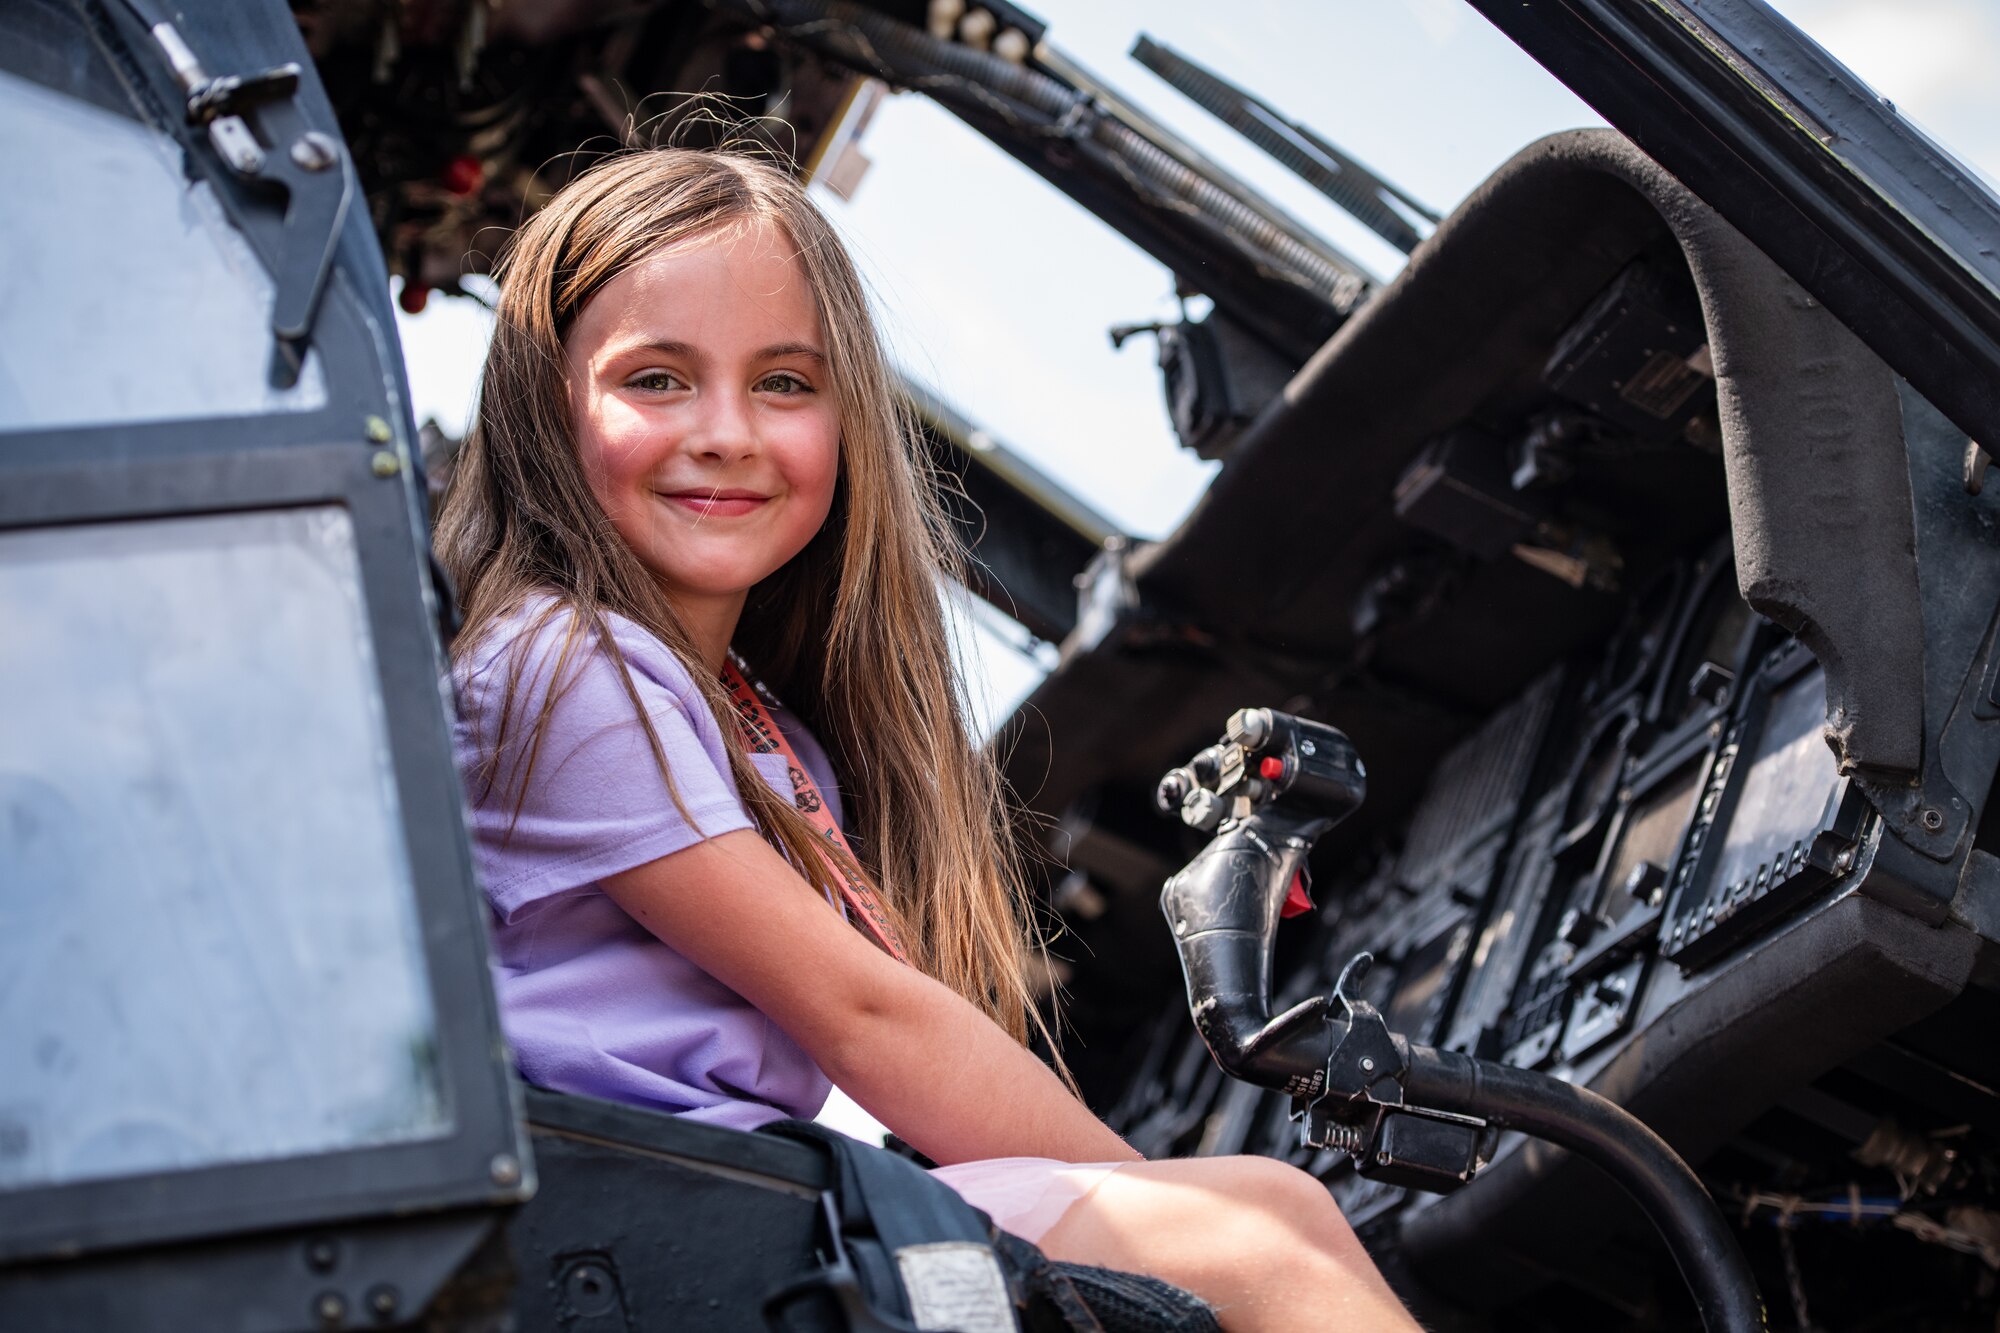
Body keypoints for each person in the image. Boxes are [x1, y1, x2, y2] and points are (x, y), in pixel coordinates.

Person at [436, 146, 1419, 1333]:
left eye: (784, 383)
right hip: (629, 1233)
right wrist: (1175, 1237)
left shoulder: (759, 725)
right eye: (656, 378)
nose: (727, 431)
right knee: (1261, 1240)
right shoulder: (555, 667)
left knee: (1272, 1216)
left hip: (716, 1208)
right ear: (544, 408)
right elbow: (866, 1017)